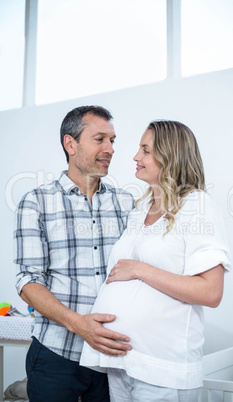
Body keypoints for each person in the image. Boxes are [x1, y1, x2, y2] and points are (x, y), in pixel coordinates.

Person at [80, 120, 231, 402]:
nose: (136, 157)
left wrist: (139, 270)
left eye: (145, 150)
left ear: (170, 155)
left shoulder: (196, 206)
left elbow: (210, 292)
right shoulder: (140, 209)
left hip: (161, 365)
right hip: (122, 360)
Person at [14, 105, 135, 402]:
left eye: (113, 141)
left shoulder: (128, 203)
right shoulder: (36, 202)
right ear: (71, 144)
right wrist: (79, 324)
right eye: (100, 139)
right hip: (56, 354)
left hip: (111, 357)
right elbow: (28, 283)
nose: (110, 149)